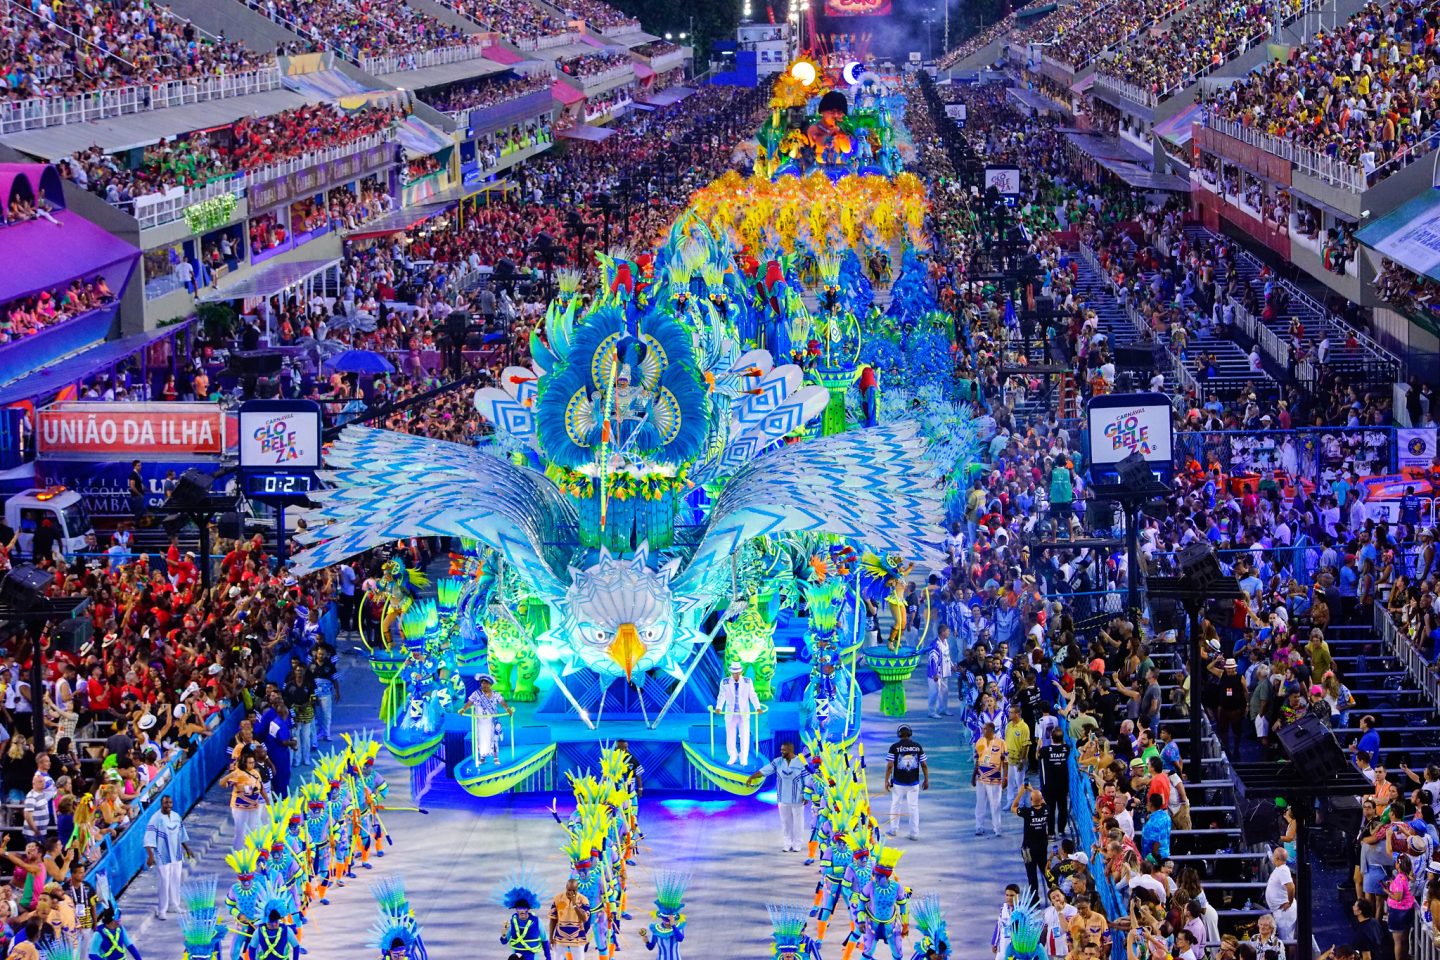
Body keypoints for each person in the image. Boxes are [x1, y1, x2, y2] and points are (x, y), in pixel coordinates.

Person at [745, 740, 810, 852]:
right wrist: (752, 777)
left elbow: (807, 779)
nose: (781, 751)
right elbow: (765, 770)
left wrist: (806, 795)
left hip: (797, 798)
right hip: (782, 798)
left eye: (784, 750)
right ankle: (787, 843)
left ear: (790, 750)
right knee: (785, 822)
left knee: (798, 822)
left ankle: (797, 844)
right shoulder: (778, 762)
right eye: (781, 750)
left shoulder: (800, 762)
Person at [142, 795, 193, 921]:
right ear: (161, 804)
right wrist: (150, 856)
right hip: (162, 855)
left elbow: (181, 834)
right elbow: (148, 838)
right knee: (164, 882)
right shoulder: (156, 818)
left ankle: (174, 904)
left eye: (170, 802)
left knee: (176, 878)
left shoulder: (176, 816)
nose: (168, 805)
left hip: (176, 854)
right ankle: (162, 910)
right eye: (165, 803)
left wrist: (187, 849)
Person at [884, 724, 928, 841]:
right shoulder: (917, 747)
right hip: (913, 783)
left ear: (899, 734)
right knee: (913, 807)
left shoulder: (894, 747)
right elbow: (923, 764)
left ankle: (893, 829)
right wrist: (926, 779)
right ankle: (914, 833)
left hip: (898, 783)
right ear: (910, 733)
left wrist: (886, 781)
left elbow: (889, 766)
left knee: (895, 805)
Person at [713, 662, 759, 766]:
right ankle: (733, 755)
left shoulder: (748, 682)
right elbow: (721, 696)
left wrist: (758, 707)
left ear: (741, 672)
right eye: (734, 673)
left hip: (744, 714)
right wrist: (719, 707)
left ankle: (743, 758)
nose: (736, 675)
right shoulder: (725, 682)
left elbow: (752, 695)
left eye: (737, 673)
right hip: (731, 714)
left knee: (744, 736)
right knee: (730, 736)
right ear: (731, 673)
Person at [464, 674, 512, 766]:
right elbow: (470, 702)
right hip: (481, 723)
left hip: (492, 721)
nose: (484, 685)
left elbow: (502, 702)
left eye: (486, 684)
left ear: (490, 684)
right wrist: (463, 709)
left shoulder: (495, 694)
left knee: (494, 739)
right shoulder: (476, 694)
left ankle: (496, 757)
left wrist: (508, 709)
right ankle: (482, 758)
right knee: (481, 739)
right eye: (482, 683)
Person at [1012, 784, 1050, 896]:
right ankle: (1055, 893)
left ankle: (1035, 900)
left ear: (1031, 800)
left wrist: (1021, 792)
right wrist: (1033, 791)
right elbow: (1041, 801)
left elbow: (1013, 807)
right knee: (1046, 871)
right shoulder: (1046, 810)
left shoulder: (1027, 812)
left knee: (1031, 875)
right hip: (1042, 847)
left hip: (1028, 849)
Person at [499, 881, 549, 960]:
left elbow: (545, 941)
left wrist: (548, 958)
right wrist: (503, 934)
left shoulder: (537, 922)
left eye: (524, 908)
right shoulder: (513, 921)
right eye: (519, 908)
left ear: (528, 909)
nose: (522, 910)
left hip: (533, 956)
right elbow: (504, 942)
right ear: (516, 909)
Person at [975, 721, 1006, 836]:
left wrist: (1006, 777)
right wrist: (974, 776)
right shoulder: (979, 741)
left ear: (992, 730)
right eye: (982, 729)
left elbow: (1005, 761)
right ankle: (979, 826)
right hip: (981, 778)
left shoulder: (1001, 742)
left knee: (995, 804)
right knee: (980, 803)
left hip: (994, 779)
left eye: (985, 729)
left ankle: (997, 828)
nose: (983, 731)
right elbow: (977, 760)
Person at [1037, 728, 1070, 837]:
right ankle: (1061, 830)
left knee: (1050, 809)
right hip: (1063, 785)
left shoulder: (1044, 751)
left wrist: (1038, 745)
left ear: (1051, 737)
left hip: (1049, 786)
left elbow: (1037, 755)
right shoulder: (1066, 749)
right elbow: (1064, 745)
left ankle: (1051, 833)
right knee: (1062, 808)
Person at [547, 878, 590, 960]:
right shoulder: (557, 898)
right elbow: (553, 919)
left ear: (577, 889)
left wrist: (574, 905)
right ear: (566, 887)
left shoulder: (583, 900)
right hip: (560, 938)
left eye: (574, 890)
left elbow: (584, 919)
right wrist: (550, 937)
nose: (571, 892)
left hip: (577, 938)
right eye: (569, 890)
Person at [1265, 847, 1297, 941]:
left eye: (1274, 856)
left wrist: (1290, 902)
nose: (1272, 858)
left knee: (1287, 939)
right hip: (1280, 911)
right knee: (1284, 939)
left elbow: (1291, 887)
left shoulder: (1283, 870)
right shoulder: (1280, 868)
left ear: (1277, 859)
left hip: (1285, 912)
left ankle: (1291, 956)